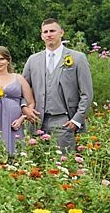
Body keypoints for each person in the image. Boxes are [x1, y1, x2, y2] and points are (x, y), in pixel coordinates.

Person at [21, 18, 93, 153]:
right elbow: (22, 90)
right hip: (37, 121)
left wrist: (76, 120)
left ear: (61, 33)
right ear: (42, 36)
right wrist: (25, 108)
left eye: (52, 31)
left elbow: (86, 93)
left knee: (63, 166)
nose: (49, 34)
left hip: (64, 120)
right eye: (45, 32)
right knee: (37, 167)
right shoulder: (33, 60)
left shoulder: (77, 58)